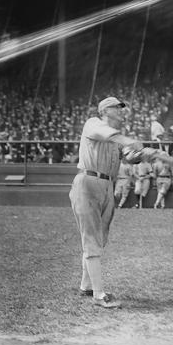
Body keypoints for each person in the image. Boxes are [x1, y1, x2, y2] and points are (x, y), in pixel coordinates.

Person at [69, 96, 152, 308]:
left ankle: (86, 286)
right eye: (117, 108)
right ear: (105, 110)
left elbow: (129, 155)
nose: (121, 111)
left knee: (99, 238)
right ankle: (98, 295)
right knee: (92, 239)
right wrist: (131, 142)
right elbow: (110, 136)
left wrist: (143, 153)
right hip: (87, 182)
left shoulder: (117, 138)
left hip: (107, 186)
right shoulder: (94, 124)